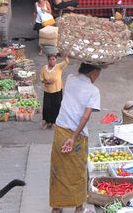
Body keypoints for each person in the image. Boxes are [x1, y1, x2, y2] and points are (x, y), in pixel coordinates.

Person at [49, 63, 102, 213]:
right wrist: (73, 138)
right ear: (93, 72)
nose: (98, 77)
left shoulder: (71, 78)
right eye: (98, 73)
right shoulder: (93, 91)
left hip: (60, 132)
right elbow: (85, 117)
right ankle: (79, 208)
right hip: (76, 137)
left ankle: (56, 208)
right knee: (78, 173)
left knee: (58, 171)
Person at [40, 55, 69, 129]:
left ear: (56, 60)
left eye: (53, 59)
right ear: (48, 60)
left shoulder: (59, 67)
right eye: (50, 59)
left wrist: (65, 55)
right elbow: (42, 78)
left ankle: (54, 122)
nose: (52, 61)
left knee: (56, 106)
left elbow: (67, 62)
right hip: (48, 90)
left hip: (57, 90)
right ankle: (47, 121)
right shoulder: (44, 68)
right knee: (47, 106)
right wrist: (47, 81)